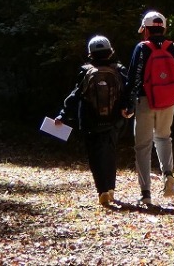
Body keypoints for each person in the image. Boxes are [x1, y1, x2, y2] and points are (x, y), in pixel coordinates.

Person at [122, 10, 174, 206]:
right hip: (168, 101)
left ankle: (146, 193)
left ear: (146, 29)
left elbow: (134, 78)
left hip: (145, 101)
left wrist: (128, 104)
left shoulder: (142, 47)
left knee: (143, 146)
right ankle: (168, 176)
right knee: (163, 137)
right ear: (163, 27)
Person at [55, 34, 128, 208]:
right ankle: (111, 189)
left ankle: (101, 189)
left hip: (90, 121)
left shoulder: (85, 71)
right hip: (114, 120)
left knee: (94, 155)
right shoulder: (119, 69)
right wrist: (129, 109)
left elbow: (75, 95)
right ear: (110, 52)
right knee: (110, 152)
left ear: (90, 53)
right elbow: (128, 92)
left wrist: (63, 114)